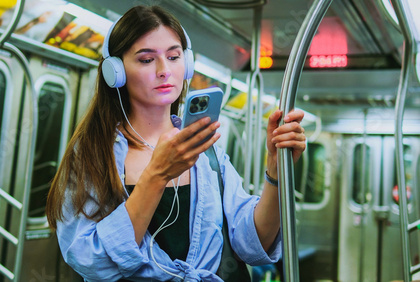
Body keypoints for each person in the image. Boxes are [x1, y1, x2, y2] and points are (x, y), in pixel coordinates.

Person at [46, 5, 306, 281]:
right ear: (116, 72)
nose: (164, 71)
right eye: (146, 60)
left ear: (187, 64)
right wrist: (157, 175)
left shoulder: (207, 151)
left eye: (173, 57)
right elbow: (90, 260)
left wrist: (276, 175)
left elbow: (252, 245)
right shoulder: (93, 154)